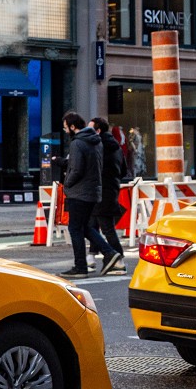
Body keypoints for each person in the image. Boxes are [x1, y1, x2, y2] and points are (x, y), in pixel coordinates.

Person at [60, 112, 123, 278]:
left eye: (66, 127)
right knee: (86, 226)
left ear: (73, 127)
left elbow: (76, 169)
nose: (65, 130)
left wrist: (67, 183)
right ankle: (109, 253)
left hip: (80, 192)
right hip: (95, 191)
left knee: (76, 228)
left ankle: (82, 266)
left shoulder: (78, 143)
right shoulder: (96, 142)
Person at [89, 116, 127, 274]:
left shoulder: (98, 146)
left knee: (106, 228)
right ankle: (90, 257)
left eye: (90, 129)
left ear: (98, 130)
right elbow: (123, 170)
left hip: (100, 192)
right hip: (110, 190)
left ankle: (118, 260)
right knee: (93, 225)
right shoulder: (116, 147)